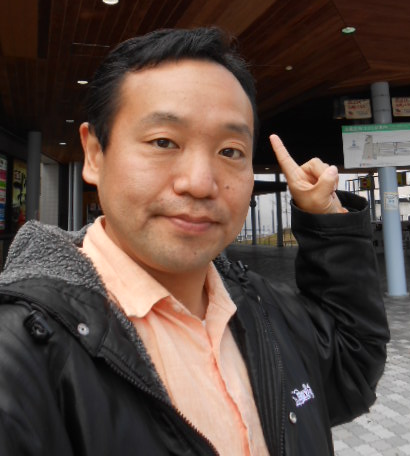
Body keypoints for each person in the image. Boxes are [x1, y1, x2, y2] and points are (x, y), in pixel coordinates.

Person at [0, 28, 389, 455]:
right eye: (163, 142)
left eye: (230, 151)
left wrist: (326, 218)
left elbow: (351, 366)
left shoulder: (261, 305)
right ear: (94, 154)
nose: (201, 184)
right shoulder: (20, 357)